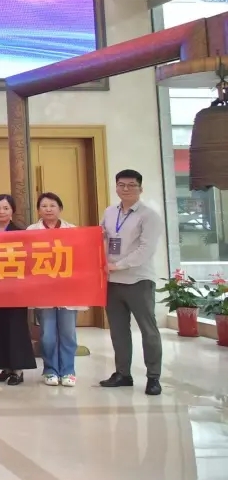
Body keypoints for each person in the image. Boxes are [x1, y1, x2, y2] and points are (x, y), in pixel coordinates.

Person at [100, 169, 164, 396]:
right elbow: (102, 238)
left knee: (148, 330)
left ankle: (153, 377)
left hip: (138, 280)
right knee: (118, 331)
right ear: (116, 187)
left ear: (140, 188)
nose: (126, 189)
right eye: (121, 185)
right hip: (112, 281)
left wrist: (119, 265)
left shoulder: (149, 215)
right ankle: (123, 374)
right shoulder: (110, 212)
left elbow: (146, 249)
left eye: (131, 185)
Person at [28, 192, 81, 387]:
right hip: (44, 290)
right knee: (48, 335)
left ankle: (68, 370)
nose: (48, 209)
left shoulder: (73, 230)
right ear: (38, 210)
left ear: (60, 208)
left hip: (68, 290)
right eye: (44, 206)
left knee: (68, 333)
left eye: (52, 206)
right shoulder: (31, 231)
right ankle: (50, 369)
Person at [0, 194, 36, 385]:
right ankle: (4, 367)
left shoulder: (20, 232)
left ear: (12, 210)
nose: (1, 212)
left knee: (15, 328)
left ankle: (18, 370)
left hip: (15, 289)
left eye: (6, 208)